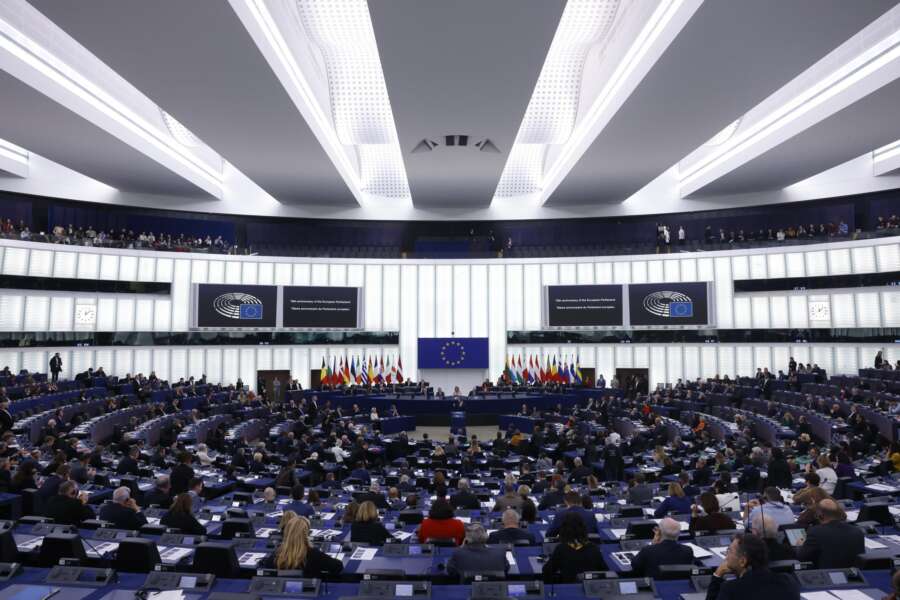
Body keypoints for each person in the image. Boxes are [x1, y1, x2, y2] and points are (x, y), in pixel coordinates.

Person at [706, 533, 800, 600]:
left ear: (742, 561)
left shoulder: (730, 589)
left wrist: (717, 575)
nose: (726, 556)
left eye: (729, 551)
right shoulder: (788, 581)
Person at [261, 517, 343, 577]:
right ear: (306, 534)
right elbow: (337, 566)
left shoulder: (276, 555)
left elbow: (267, 568)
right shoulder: (314, 554)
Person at [797, 499, 864, 568]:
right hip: (852, 573)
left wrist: (800, 546)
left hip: (826, 573)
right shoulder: (857, 531)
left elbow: (802, 557)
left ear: (820, 514)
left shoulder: (816, 532)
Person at [542, 512, 607, 583]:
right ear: (583, 528)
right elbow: (605, 571)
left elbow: (547, 571)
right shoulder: (594, 548)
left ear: (563, 529)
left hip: (568, 587)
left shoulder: (561, 549)